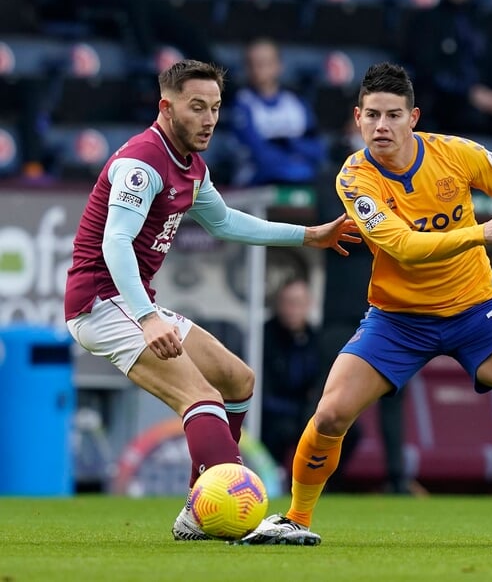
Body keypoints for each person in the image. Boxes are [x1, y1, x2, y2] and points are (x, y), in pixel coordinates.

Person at [236, 62, 492, 546]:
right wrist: (479, 231)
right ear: (357, 117)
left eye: (393, 115)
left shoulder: (454, 154)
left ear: (414, 117)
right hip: (397, 320)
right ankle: (296, 519)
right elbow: (402, 246)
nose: (381, 127)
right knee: (330, 414)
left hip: (475, 308)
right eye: (371, 116)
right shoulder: (354, 177)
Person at [63, 59, 360, 541]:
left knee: (236, 380)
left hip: (131, 302)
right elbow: (114, 243)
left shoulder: (191, 166)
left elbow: (225, 222)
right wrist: (145, 317)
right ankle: (238, 513)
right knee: (200, 397)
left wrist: (308, 235)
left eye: (215, 108)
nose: (208, 119)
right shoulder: (143, 162)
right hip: (101, 302)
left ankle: (197, 510)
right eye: (196, 107)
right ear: (166, 107)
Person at [261, 278, 361, 478]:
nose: (293, 309)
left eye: (298, 303)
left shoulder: (317, 340)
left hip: (307, 411)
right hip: (274, 413)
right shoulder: (264, 337)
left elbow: (322, 383)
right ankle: (271, 481)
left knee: (349, 430)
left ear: (309, 305)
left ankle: (325, 482)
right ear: (279, 305)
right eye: (288, 302)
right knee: (280, 430)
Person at [399, 0, 492, 136]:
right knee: (465, 115)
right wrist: (470, 93)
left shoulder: (481, 21)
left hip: (486, 101)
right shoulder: (427, 21)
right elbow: (427, 71)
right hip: (446, 102)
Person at [229, 38, 326, 187]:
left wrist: (290, 145)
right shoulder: (243, 104)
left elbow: (317, 149)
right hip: (256, 179)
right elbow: (258, 152)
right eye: (252, 64)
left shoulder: (296, 104)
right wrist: (292, 149)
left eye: (265, 63)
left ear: (279, 66)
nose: (258, 69)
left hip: (301, 174)